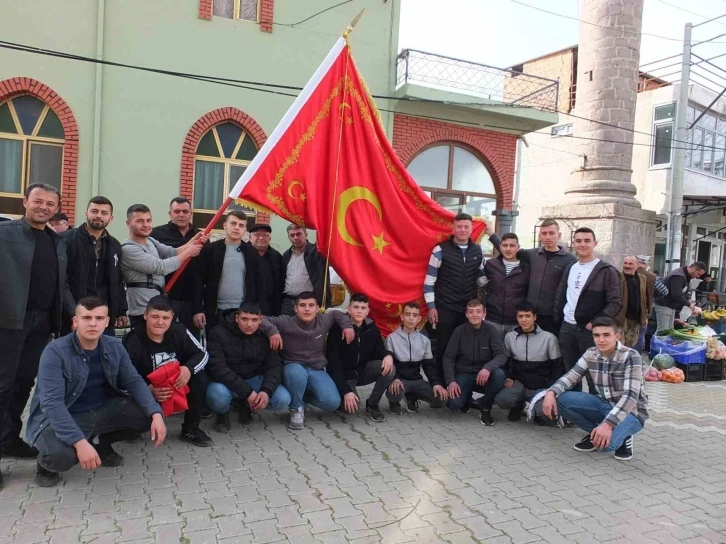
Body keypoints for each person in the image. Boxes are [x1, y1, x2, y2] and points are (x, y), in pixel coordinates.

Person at [26, 297, 167, 487]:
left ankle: (98, 441)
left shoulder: (114, 346)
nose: (93, 323)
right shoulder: (55, 352)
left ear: (107, 322)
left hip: (101, 410)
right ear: (75, 322)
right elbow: (52, 404)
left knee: (149, 413)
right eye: (86, 317)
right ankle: (46, 465)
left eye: (99, 318)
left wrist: (156, 413)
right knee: (61, 457)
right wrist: (79, 443)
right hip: (62, 416)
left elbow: (133, 381)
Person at [0, 183, 75, 471]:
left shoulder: (57, 242)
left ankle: (9, 440)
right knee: (2, 386)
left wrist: (73, 312)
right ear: (25, 202)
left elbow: (62, 284)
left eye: (50, 204)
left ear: (56, 208)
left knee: (23, 383)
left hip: (42, 323)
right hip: (8, 322)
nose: (44, 207)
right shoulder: (5, 234)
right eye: (38, 201)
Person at [542, 317, 648, 462]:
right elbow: (571, 376)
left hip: (631, 412)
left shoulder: (631, 356)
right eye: (596, 335)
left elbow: (630, 397)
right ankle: (596, 433)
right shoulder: (590, 353)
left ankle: (623, 436)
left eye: (606, 335)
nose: (601, 340)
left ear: (617, 336)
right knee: (560, 400)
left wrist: (608, 424)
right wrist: (551, 392)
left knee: (605, 446)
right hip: (603, 404)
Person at [123, 296, 211, 447]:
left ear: (172, 317)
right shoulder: (132, 340)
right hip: (147, 388)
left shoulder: (179, 331)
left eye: (165, 317)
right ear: (145, 315)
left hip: (176, 384)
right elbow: (122, 376)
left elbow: (202, 353)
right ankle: (131, 429)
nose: (160, 322)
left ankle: (190, 430)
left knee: (200, 378)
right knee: (130, 411)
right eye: (155, 316)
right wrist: (146, 389)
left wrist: (188, 369)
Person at [260, 291, 354, 429]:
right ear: (295, 308)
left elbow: (337, 314)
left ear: (317, 308)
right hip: (293, 366)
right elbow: (261, 319)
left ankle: (299, 396)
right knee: (296, 372)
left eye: (311, 305)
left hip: (316, 368)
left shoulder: (323, 320)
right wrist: (272, 331)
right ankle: (297, 408)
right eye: (302, 305)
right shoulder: (286, 322)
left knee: (332, 402)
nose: (307, 309)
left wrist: (347, 326)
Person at [554, 227, 622, 393]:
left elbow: (615, 302)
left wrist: (595, 324)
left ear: (595, 243)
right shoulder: (571, 267)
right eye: (578, 241)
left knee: (594, 375)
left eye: (587, 241)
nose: (582, 244)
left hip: (590, 330)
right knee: (570, 373)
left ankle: (594, 413)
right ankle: (573, 412)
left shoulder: (606, 271)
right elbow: (563, 294)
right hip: (567, 327)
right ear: (573, 243)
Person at [205, 302, 291, 432]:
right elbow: (218, 368)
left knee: (283, 399)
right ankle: (222, 413)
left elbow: (274, 366)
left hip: (253, 378)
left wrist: (266, 391)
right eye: (244, 319)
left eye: (254, 320)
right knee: (218, 397)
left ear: (260, 320)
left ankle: (245, 405)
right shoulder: (217, 333)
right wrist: (248, 392)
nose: (249, 324)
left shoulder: (265, 335)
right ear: (236, 318)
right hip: (224, 382)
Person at [424, 213, 490, 379]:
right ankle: (440, 386)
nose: (462, 230)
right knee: (444, 347)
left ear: (471, 229)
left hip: (468, 311)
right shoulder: (440, 250)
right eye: (459, 226)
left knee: (465, 348)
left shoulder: (477, 250)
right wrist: (431, 307)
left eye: (466, 226)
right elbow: (429, 282)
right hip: (445, 308)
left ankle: (459, 386)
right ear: (453, 228)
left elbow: (481, 278)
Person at [121, 204, 205, 330]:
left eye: (148, 220)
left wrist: (192, 241)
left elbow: (172, 252)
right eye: (139, 221)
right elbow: (161, 267)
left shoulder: (150, 241)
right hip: (141, 310)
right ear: (128, 223)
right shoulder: (129, 249)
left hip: (156, 306)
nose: (145, 224)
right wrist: (189, 252)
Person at [63, 196, 128, 335]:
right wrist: (71, 311)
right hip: (74, 313)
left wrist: (121, 309)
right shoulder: (66, 240)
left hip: (104, 314)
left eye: (104, 213)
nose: (99, 216)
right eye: (94, 211)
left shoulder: (114, 245)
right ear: (86, 213)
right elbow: (62, 280)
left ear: (111, 217)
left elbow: (118, 279)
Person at [326, 293, 395, 422]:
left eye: (363, 308)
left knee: (390, 368)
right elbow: (333, 364)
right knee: (351, 408)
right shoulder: (337, 329)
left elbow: (379, 349)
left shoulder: (371, 328)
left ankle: (373, 404)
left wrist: (388, 355)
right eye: (356, 307)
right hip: (345, 376)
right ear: (349, 309)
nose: (359, 311)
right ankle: (340, 397)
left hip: (363, 372)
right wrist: (346, 391)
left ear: (368, 311)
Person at [193, 211, 263, 332]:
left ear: (245, 229)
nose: (237, 228)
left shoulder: (252, 253)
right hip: (215, 311)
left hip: (244, 313)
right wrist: (198, 310)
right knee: (215, 347)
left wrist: (258, 311)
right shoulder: (211, 250)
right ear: (225, 225)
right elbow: (197, 281)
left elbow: (259, 285)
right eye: (233, 223)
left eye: (241, 225)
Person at [494, 301, 562, 422]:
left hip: (541, 385)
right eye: (520, 316)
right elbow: (505, 361)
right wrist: (507, 376)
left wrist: (551, 389)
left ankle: (535, 410)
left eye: (528, 316)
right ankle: (519, 407)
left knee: (547, 413)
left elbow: (557, 367)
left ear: (534, 317)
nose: (524, 320)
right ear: (517, 318)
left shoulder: (549, 338)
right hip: (519, 383)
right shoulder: (510, 337)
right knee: (502, 400)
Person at [443, 300, 506, 425]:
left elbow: (501, 355)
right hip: (464, 374)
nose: (474, 315)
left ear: (484, 314)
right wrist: (451, 381)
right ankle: (467, 400)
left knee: (499, 374)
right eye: (471, 312)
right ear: (466, 314)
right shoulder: (459, 331)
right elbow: (448, 357)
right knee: (453, 405)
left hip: (484, 376)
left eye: (478, 311)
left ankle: (486, 406)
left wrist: (487, 368)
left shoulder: (491, 330)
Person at [150, 197, 202, 336]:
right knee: (164, 338)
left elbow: (202, 274)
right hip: (165, 297)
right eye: (177, 211)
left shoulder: (200, 237)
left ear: (191, 214)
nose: (181, 215)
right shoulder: (156, 234)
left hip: (191, 301)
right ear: (170, 213)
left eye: (185, 211)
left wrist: (199, 308)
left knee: (190, 341)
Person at [385, 302, 448, 414]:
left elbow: (429, 366)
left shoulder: (424, 340)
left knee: (441, 399)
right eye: (408, 314)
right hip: (399, 380)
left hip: (417, 380)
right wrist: (395, 378)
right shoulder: (391, 338)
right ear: (402, 316)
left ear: (419, 319)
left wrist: (436, 383)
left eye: (414, 315)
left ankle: (411, 398)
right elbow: (391, 364)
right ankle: (394, 403)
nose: (411, 318)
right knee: (394, 393)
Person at [484, 232, 530, 338]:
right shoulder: (491, 265)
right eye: (505, 245)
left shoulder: (527, 268)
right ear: (500, 247)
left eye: (512, 245)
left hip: (516, 322)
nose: (508, 249)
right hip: (492, 319)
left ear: (518, 247)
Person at [280, 225, 331, 316]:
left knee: (307, 329)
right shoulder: (286, 255)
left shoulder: (317, 252)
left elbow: (327, 242)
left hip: (307, 302)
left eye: (298, 234)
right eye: (292, 235)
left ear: (306, 234)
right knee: (285, 329)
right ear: (288, 237)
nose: (295, 237)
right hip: (287, 303)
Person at [653, 262, 707, 332]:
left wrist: (689, 301)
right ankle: (657, 342)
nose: (698, 276)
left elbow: (683, 293)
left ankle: (662, 342)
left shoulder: (684, 275)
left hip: (670, 305)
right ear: (693, 269)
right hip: (664, 305)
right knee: (663, 330)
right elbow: (676, 295)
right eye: (698, 274)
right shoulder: (679, 276)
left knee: (669, 330)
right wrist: (689, 304)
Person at [249, 223, 284, 316]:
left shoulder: (277, 256)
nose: (261, 238)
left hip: (271, 307)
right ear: (250, 238)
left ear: (270, 239)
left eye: (265, 235)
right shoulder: (243, 253)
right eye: (257, 235)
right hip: (247, 305)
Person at [616, 256, 649, 348]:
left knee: (631, 344)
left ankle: (628, 362)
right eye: (625, 263)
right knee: (619, 345)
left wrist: (644, 316)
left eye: (630, 264)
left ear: (637, 265)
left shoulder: (642, 278)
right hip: (621, 318)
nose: (627, 266)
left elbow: (643, 298)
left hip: (635, 318)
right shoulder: (617, 277)